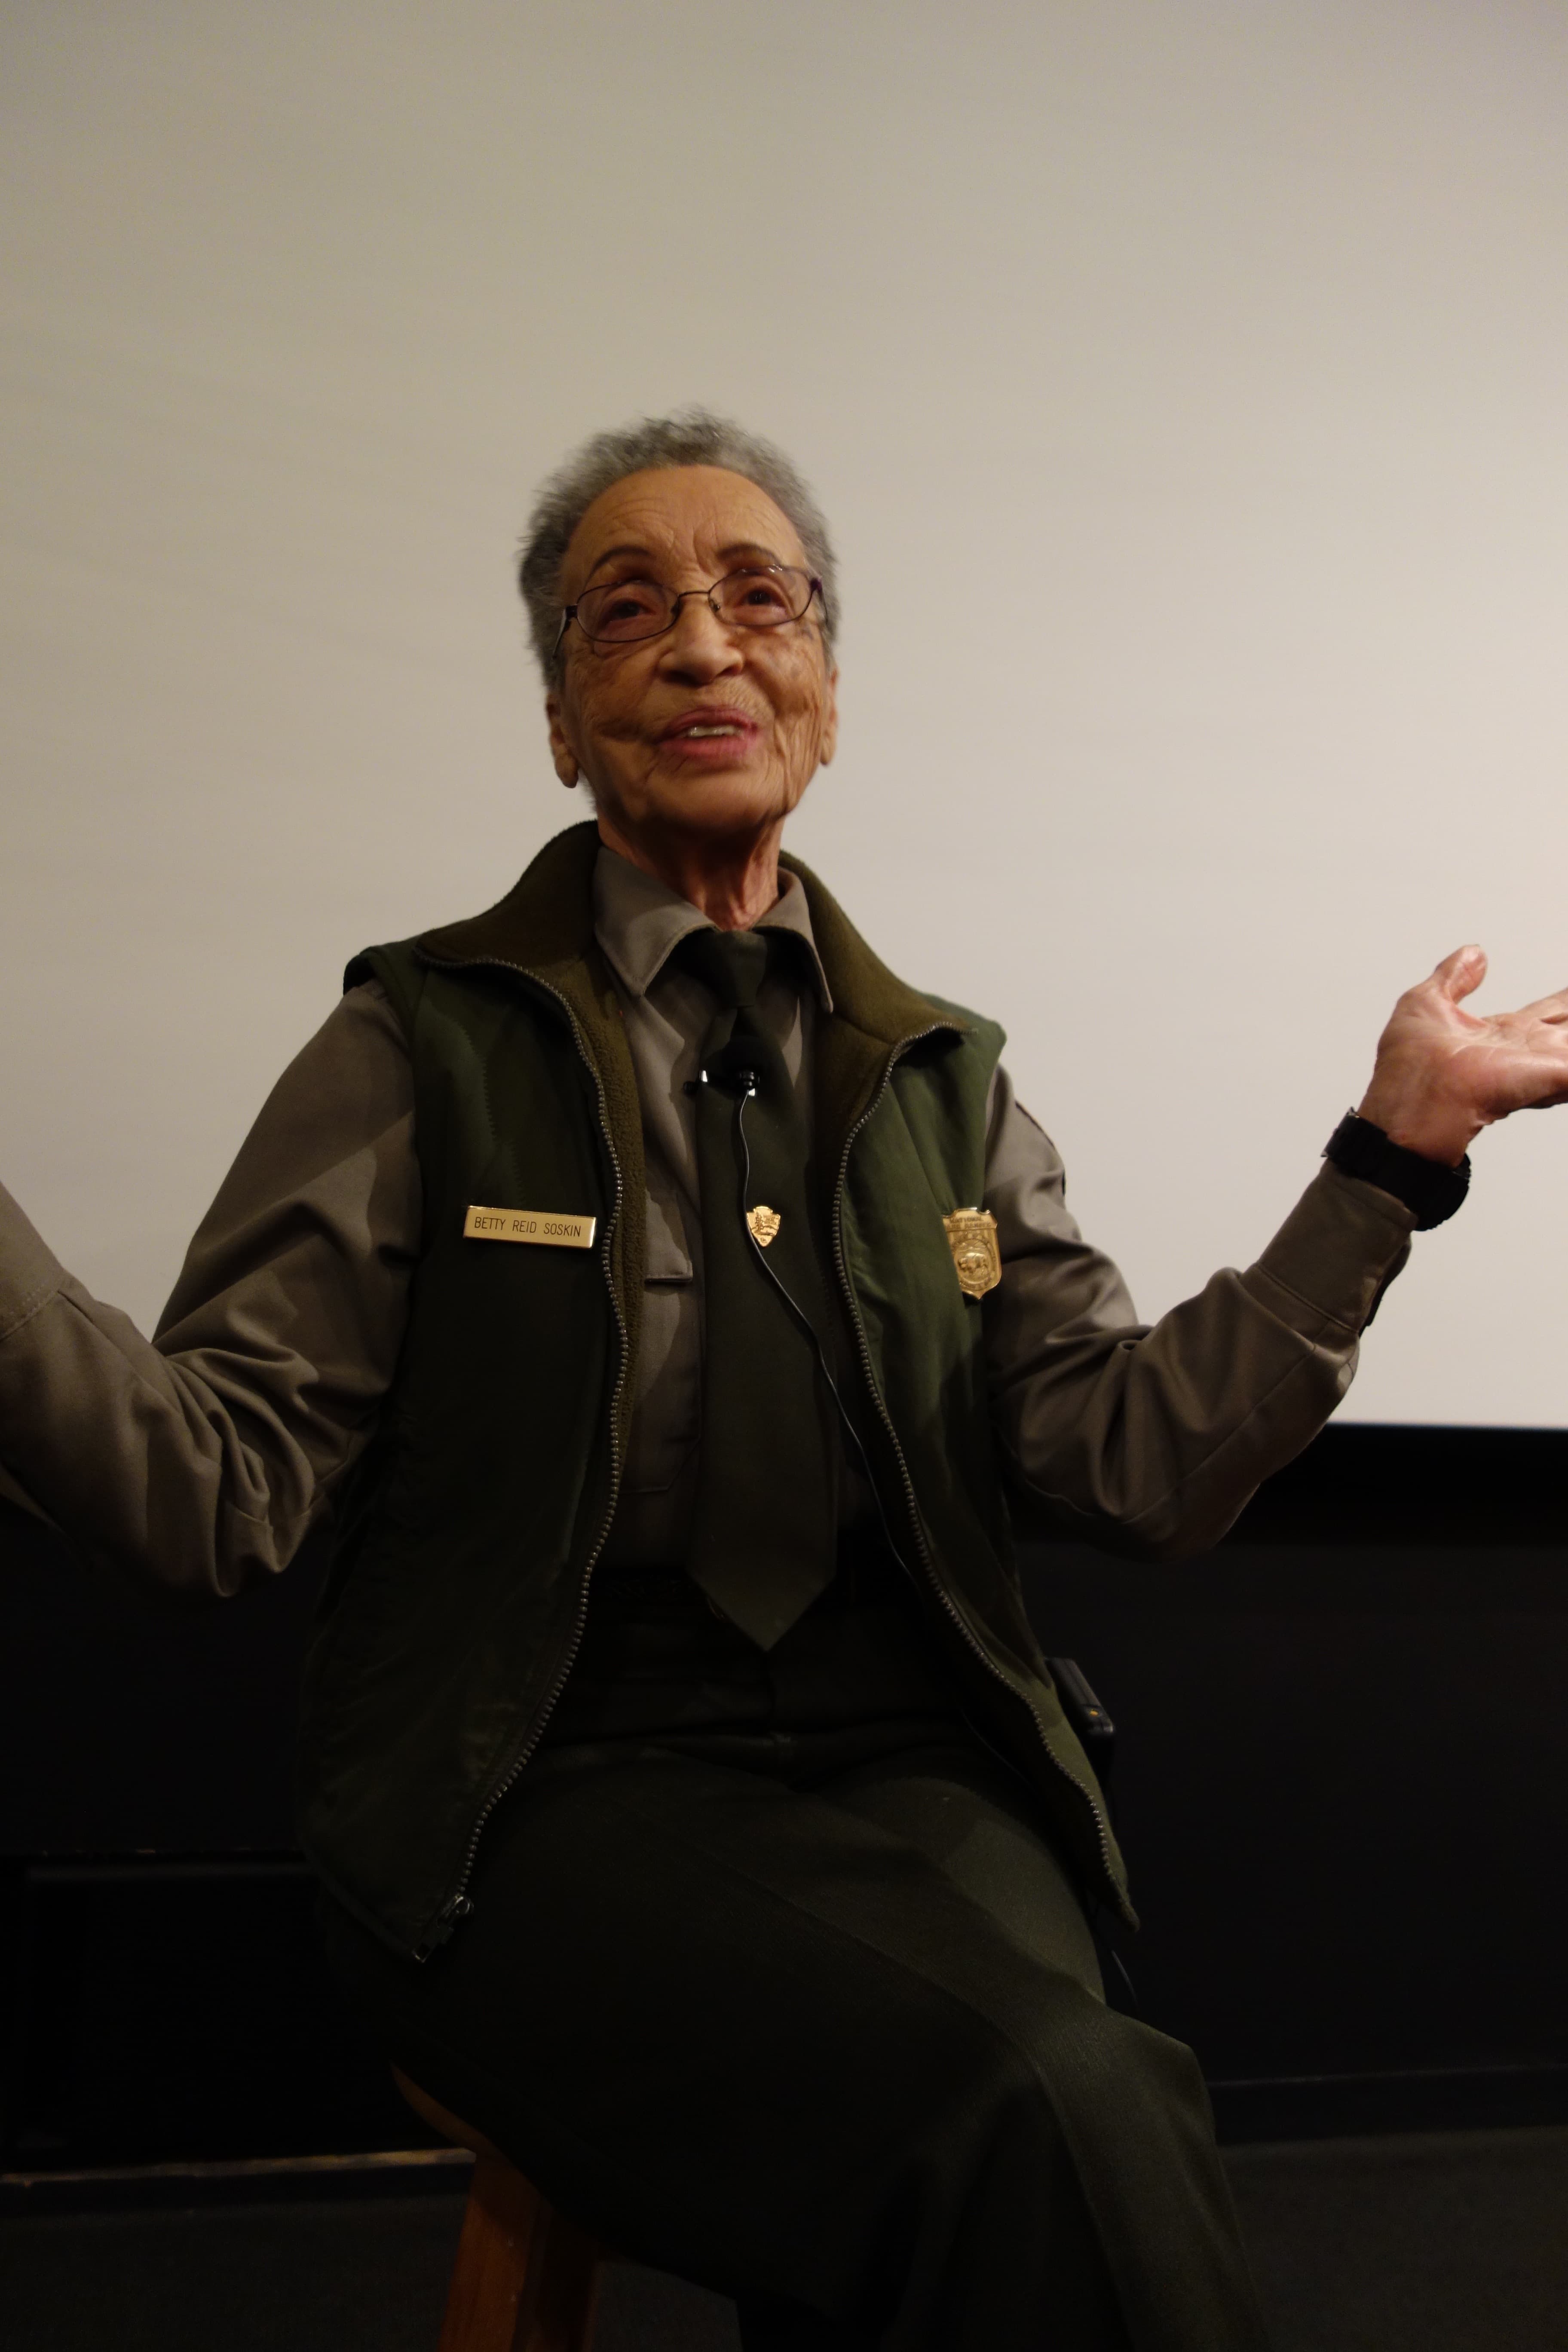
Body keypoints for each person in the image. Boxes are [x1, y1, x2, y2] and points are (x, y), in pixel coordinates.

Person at [4, 410, 1568, 2351]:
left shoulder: (943, 1079)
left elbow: (1131, 1465)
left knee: (1025, 2119)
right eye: (626, 612)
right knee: (1050, 2103)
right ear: (564, 724)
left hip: (915, 1761)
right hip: (546, 1787)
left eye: (764, 600)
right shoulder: (423, 1041)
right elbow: (204, 1499)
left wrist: (1387, 1169)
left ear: (826, 688)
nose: (706, 645)